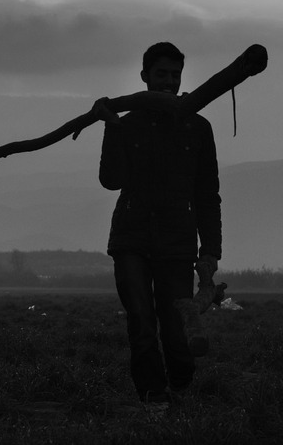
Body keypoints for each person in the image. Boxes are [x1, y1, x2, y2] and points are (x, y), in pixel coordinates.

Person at [98, 42, 222, 409]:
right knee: (140, 321)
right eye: (161, 74)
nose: (169, 82)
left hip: (178, 242)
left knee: (175, 326)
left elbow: (207, 194)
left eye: (175, 75)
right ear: (144, 78)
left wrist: (210, 250)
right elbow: (111, 180)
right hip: (131, 238)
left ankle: (181, 389)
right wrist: (111, 128)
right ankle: (153, 397)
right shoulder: (128, 123)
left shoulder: (198, 127)